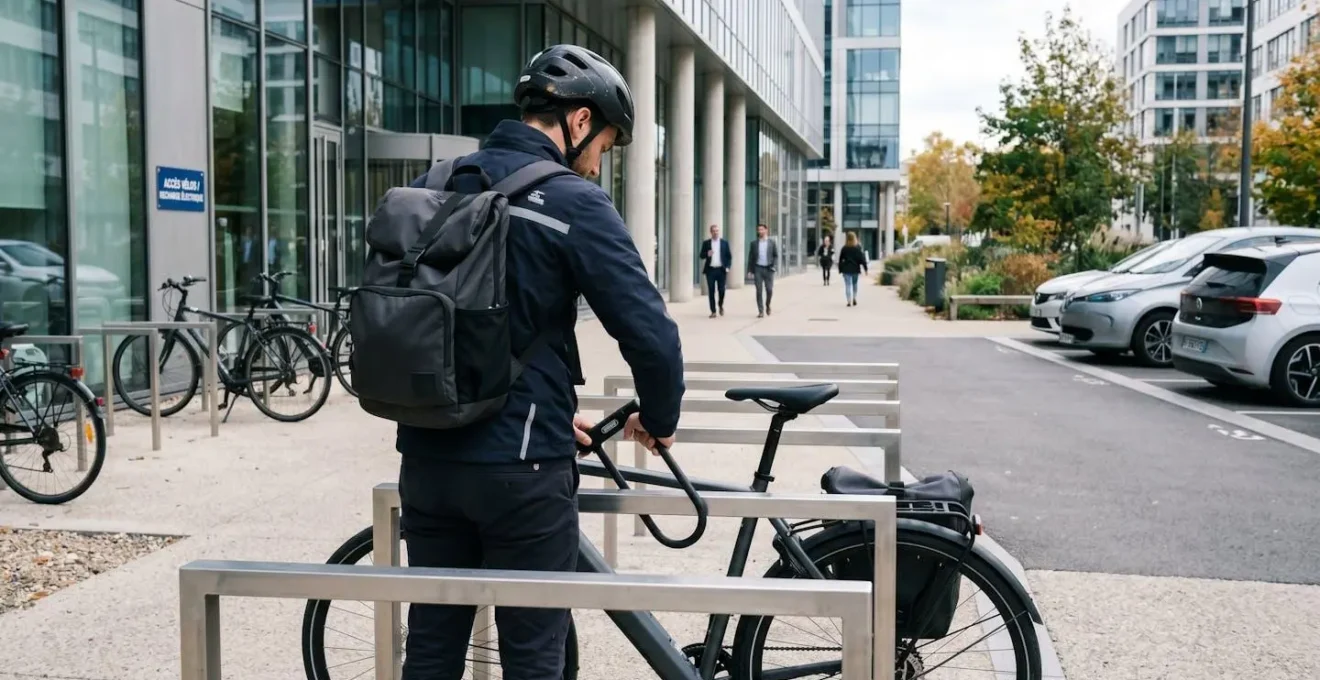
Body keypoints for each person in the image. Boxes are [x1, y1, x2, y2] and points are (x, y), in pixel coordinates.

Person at [395, 44, 685, 680]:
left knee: (432, 646)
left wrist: (555, 412)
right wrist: (660, 419)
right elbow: (651, 336)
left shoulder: (432, 185)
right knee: (532, 655)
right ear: (579, 121)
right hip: (522, 470)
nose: (599, 162)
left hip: (427, 456)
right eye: (603, 145)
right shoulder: (573, 201)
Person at [699, 223, 732, 318]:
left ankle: (720, 305)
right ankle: (713, 311)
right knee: (711, 291)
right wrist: (707, 254)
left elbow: (729, 257)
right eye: (713, 231)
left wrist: (728, 267)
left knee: (722, 290)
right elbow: (701, 255)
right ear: (711, 232)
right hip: (710, 270)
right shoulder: (706, 243)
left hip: (721, 270)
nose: (715, 232)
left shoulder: (724, 243)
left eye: (717, 231)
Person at [746, 223, 778, 317]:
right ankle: (761, 311)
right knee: (759, 291)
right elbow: (751, 258)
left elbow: (775, 255)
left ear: (766, 230)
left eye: (762, 229)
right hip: (758, 268)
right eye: (759, 230)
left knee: (769, 289)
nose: (760, 231)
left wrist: (774, 265)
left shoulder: (772, 242)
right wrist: (749, 270)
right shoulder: (754, 243)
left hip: (769, 269)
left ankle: (767, 305)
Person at [837, 231, 869, 306]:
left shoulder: (844, 248)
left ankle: (849, 301)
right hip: (855, 269)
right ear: (855, 238)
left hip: (846, 269)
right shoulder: (857, 248)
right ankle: (854, 297)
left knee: (848, 285)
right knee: (855, 284)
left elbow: (840, 259)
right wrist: (865, 269)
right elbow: (862, 259)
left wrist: (840, 269)